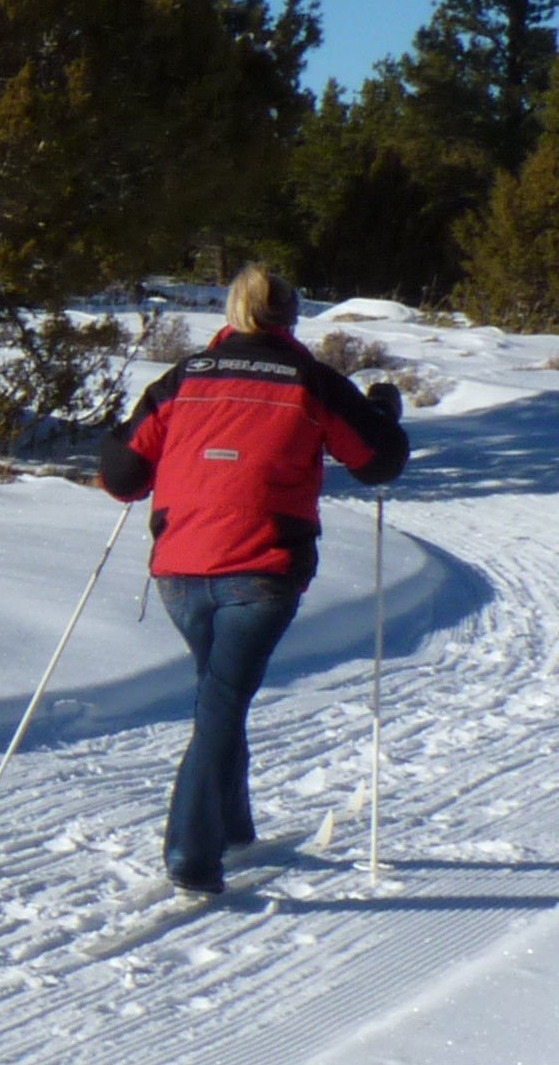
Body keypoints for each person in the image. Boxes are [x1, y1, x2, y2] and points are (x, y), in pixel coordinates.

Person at [97, 265, 409, 897]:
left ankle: (233, 827)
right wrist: (382, 411)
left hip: (180, 571)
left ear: (231, 312)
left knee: (219, 695)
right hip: (262, 570)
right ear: (291, 318)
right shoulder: (312, 382)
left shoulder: (181, 379)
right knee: (221, 704)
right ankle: (191, 852)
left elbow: (123, 478)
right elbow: (377, 463)